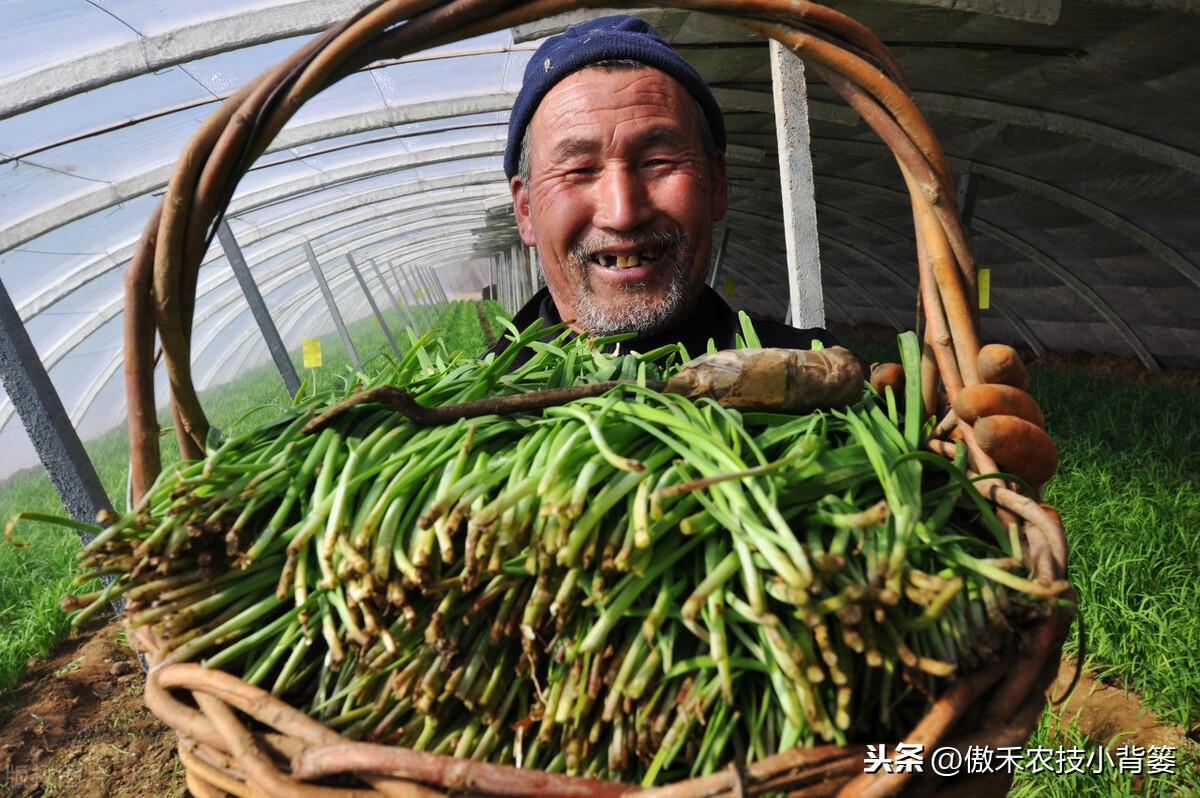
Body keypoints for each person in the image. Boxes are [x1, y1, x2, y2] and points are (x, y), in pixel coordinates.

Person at [485, 14, 839, 366]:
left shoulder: (825, 377)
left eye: (656, 162)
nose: (622, 213)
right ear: (526, 209)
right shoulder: (470, 410)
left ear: (717, 183)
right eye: (580, 169)